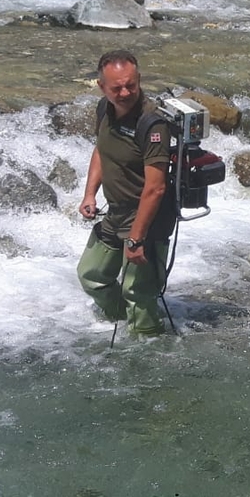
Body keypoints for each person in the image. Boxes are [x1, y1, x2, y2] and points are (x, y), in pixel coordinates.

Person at [77, 50, 176, 337]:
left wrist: (137, 237)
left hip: (147, 220)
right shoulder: (104, 109)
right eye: (116, 87)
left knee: (139, 293)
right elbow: (101, 149)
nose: (125, 92)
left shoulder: (153, 125)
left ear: (139, 79)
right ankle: (128, 324)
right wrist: (89, 194)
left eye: (130, 85)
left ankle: (147, 351)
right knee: (91, 275)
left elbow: (156, 188)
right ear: (102, 87)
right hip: (116, 212)